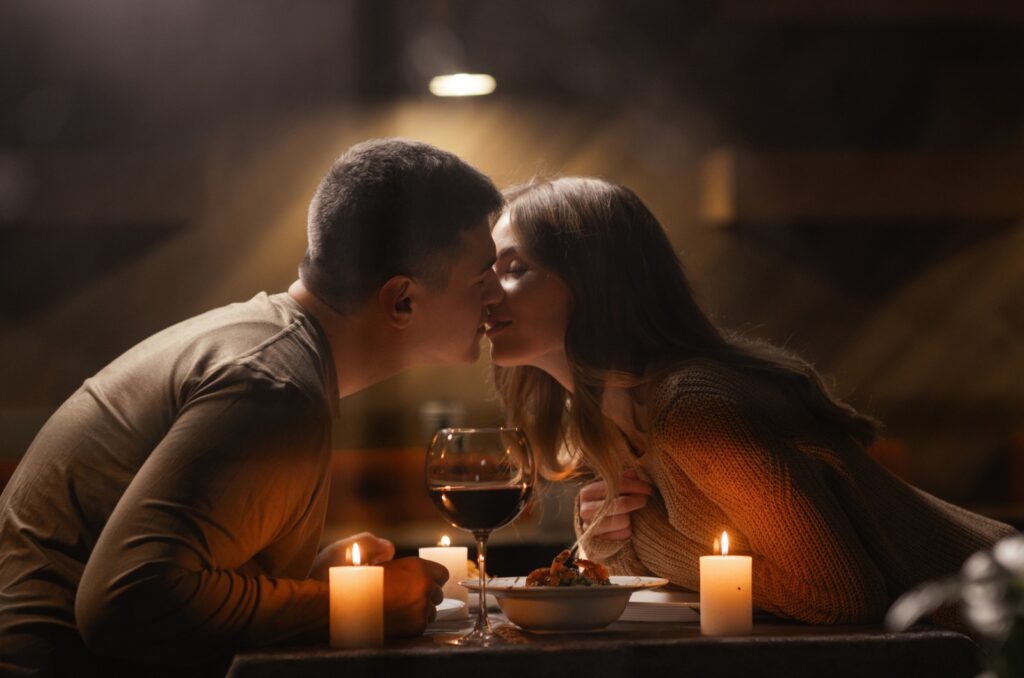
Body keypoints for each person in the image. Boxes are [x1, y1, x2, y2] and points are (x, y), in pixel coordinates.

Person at [0, 138, 505, 676]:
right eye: (481, 278)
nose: (497, 294)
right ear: (401, 300)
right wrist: (355, 607)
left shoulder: (271, 348)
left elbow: (172, 575)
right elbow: (124, 604)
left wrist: (305, 585)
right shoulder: (273, 388)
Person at [485, 176, 1016, 627]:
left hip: (1001, 618)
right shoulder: (607, 417)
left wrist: (645, 535)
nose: (488, 293)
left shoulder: (693, 405)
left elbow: (836, 596)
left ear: (595, 284)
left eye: (513, 269)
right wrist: (612, 539)